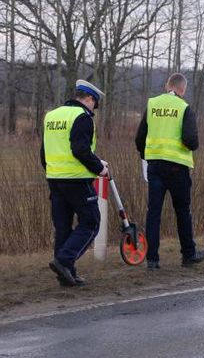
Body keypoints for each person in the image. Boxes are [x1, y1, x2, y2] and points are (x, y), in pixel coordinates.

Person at [41, 80, 108, 287]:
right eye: (94, 104)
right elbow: (80, 149)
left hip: (54, 178)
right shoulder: (82, 117)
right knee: (91, 222)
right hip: (76, 180)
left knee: (63, 227)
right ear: (89, 99)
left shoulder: (51, 116)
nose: (93, 109)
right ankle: (64, 260)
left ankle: (66, 275)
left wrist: (53, 171)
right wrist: (100, 168)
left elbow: (44, 153)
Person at [135, 73, 204, 270]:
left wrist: (147, 155)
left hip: (154, 166)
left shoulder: (152, 104)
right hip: (177, 167)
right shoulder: (184, 108)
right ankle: (188, 255)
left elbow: (139, 138)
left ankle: (152, 259)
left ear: (167, 86)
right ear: (182, 89)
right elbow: (192, 141)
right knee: (182, 211)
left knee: (153, 213)